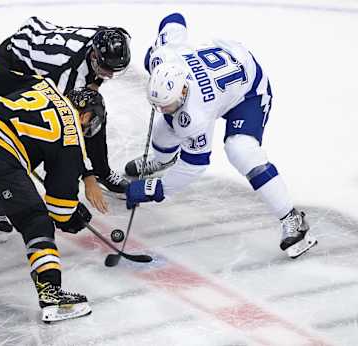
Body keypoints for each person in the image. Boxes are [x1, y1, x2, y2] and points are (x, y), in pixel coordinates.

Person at [124, 13, 317, 259]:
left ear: (183, 90)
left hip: (249, 93)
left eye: (168, 105)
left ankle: (292, 218)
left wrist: (156, 188)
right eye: (158, 104)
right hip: (225, 66)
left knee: (241, 150)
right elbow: (174, 20)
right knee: (164, 130)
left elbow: (194, 165)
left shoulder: (196, 113)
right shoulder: (163, 57)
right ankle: (162, 161)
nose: (162, 110)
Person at [0, 62, 103, 322]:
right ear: (85, 116)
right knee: (35, 219)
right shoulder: (72, 135)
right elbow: (59, 209)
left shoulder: (45, 86)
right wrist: (73, 218)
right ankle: (51, 292)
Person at [0, 17, 131, 214]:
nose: (109, 76)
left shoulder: (114, 37)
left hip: (45, 46)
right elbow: (71, 129)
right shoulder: (67, 76)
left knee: (94, 111)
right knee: (31, 131)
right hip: (13, 62)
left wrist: (94, 86)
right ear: (93, 56)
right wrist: (87, 177)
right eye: (106, 70)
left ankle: (102, 171)